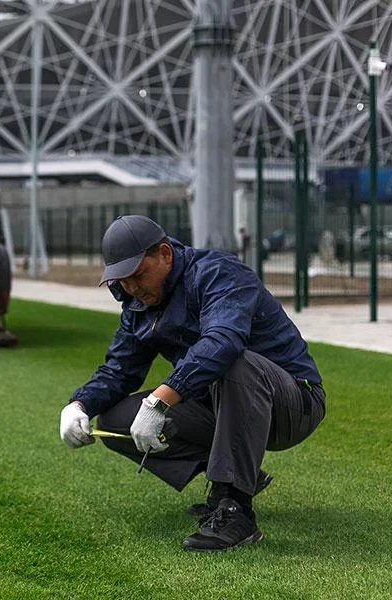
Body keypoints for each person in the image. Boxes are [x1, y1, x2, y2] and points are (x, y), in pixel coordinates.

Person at [59, 215, 326, 552]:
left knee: (233, 360)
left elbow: (223, 342)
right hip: (222, 404)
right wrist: (78, 404)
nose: (133, 289)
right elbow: (119, 370)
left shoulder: (218, 273)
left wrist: (159, 401)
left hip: (293, 404)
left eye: (139, 275)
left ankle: (236, 508)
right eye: (123, 282)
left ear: (166, 254)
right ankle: (232, 474)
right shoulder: (138, 303)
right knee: (114, 421)